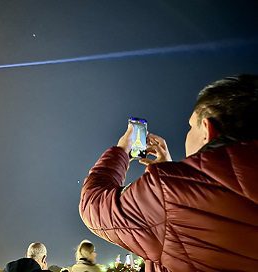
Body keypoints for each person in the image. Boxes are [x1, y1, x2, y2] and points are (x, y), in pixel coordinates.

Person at [79, 75, 258, 271]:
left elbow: (93, 204)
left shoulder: (167, 193)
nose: (188, 134)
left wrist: (121, 151)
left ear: (208, 130)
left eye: (191, 126)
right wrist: (173, 174)